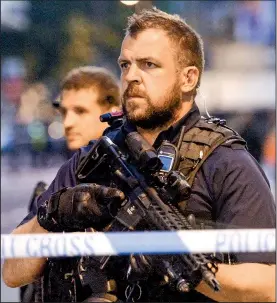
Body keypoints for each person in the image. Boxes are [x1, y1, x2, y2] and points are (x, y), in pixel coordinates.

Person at [3, 8, 275, 302]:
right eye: (125, 65)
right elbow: (13, 272)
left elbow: (266, 286)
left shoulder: (226, 163)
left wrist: (181, 266)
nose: (131, 76)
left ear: (188, 78)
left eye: (148, 64)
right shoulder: (92, 160)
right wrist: (51, 215)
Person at [19, 66, 121, 302]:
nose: (67, 123)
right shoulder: (63, 177)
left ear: (113, 112)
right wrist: (51, 213)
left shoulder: (124, 176)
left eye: (80, 111)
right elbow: (13, 274)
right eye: (63, 112)